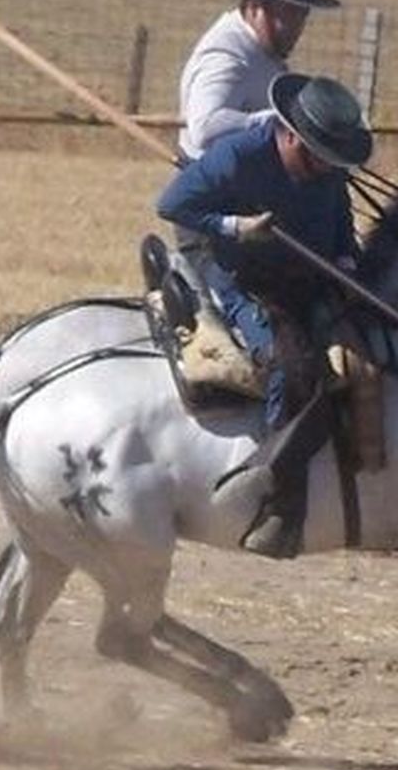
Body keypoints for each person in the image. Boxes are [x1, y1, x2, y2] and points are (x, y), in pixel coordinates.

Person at [156, 72, 373, 558]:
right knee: (289, 362)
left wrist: (346, 267)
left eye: (332, 160)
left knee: (368, 346)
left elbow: (338, 227)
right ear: (290, 133)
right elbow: (172, 204)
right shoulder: (237, 156)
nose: (323, 168)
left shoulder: (327, 171)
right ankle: (273, 483)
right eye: (316, 155)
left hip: (304, 274)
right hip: (239, 272)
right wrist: (235, 226)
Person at [177, 0, 340, 161]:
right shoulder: (227, 56)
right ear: (255, 9)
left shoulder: (263, 46)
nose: (297, 27)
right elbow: (205, 128)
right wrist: (281, 122)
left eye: (302, 15)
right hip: (216, 185)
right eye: (288, 14)